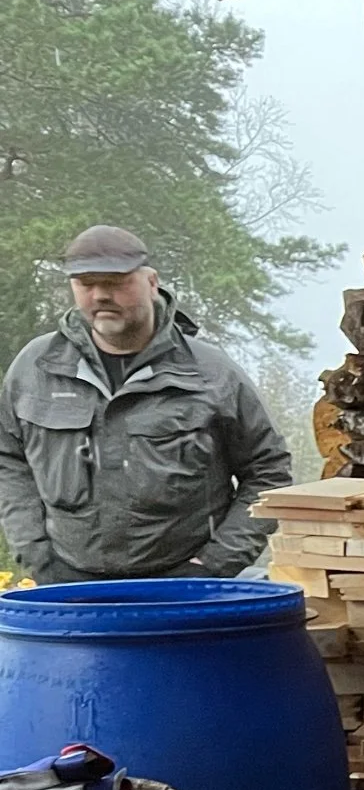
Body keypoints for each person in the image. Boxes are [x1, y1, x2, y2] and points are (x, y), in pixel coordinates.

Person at [0, 226, 290, 583]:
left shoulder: (210, 373)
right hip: (66, 585)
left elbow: (269, 471)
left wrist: (215, 563)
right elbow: (8, 458)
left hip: (185, 588)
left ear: (152, 282)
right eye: (86, 283)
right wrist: (35, 552)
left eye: (116, 282)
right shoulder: (37, 367)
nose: (100, 295)